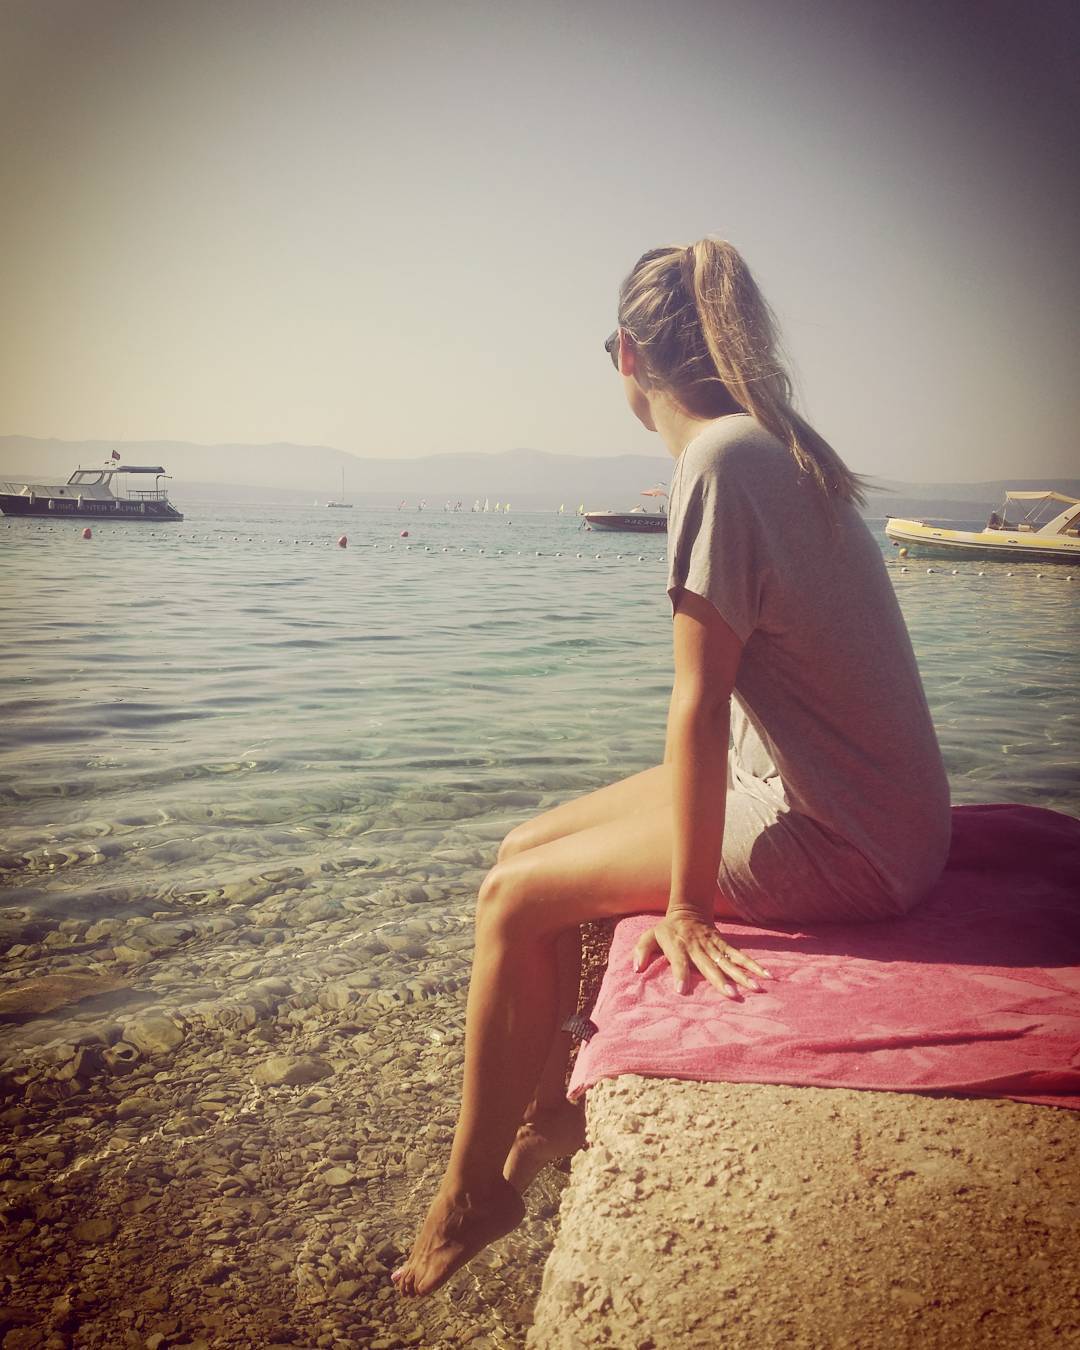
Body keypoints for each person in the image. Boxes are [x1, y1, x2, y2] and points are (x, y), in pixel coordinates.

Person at [392, 237, 951, 1297]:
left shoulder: (720, 461)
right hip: (870, 812)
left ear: (627, 355)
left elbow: (697, 704)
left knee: (512, 900)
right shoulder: (777, 445)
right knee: (521, 847)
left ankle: (472, 1192)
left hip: (849, 844)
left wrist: (688, 905)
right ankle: (550, 1111)